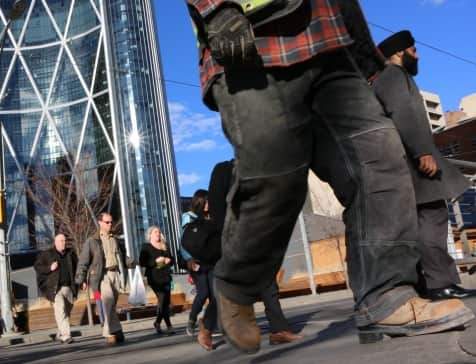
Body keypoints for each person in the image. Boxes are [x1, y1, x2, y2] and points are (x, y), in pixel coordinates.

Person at [184, 0, 473, 354]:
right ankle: (237, 283)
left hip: (329, 41)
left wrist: (365, 53)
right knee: (276, 173)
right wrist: (216, 10)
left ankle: (387, 296)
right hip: (250, 38)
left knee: (379, 155)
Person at [372, 30, 471, 300]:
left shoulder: (387, 78)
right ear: (398, 53)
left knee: (423, 223)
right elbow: (403, 114)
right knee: (432, 221)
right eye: (414, 50)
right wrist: (422, 152)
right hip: (415, 162)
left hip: (406, 161)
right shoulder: (393, 77)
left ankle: (430, 284)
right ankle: (441, 283)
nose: (418, 55)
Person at [209, 160, 304, 346]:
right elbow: (216, 205)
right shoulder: (223, 170)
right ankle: (216, 327)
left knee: (268, 284)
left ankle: (278, 330)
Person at [75, 212, 134, 345]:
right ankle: (109, 333)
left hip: (116, 275)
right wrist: (81, 278)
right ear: (100, 223)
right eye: (107, 222)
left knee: (111, 305)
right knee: (108, 302)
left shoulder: (116, 240)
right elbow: (83, 261)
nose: (110, 224)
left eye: (111, 222)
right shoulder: (92, 241)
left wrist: (134, 262)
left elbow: (123, 257)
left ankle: (117, 329)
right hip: (101, 276)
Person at [34, 233, 78, 344]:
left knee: (66, 312)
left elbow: (77, 268)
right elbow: (37, 267)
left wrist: (81, 281)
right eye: (61, 241)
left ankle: (60, 333)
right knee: (60, 309)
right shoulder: (47, 254)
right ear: (56, 242)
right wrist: (50, 267)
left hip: (69, 288)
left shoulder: (71, 253)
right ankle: (66, 335)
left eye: (64, 241)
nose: (64, 243)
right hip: (55, 289)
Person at [180, 190, 212, 337]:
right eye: (206, 201)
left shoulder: (208, 217)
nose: (208, 204)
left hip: (210, 260)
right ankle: (192, 320)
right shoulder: (188, 218)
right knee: (203, 291)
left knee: (214, 293)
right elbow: (184, 242)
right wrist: (188, 259)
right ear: (199, 202)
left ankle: (210, 323)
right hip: (195, 262)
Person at [139, 226, 175, 335]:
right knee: (162, 299)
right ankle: (169, 325)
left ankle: (158, 322)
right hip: (154, 278)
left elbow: (172, 260)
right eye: (155, 232)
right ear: (150, 235)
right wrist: (156, 261)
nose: (158, 234)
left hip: (166, 276)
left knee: (165, 302)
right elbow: (142, 262)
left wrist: (169, 260)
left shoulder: (165, 246)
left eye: (159, 232)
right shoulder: (146, 247)